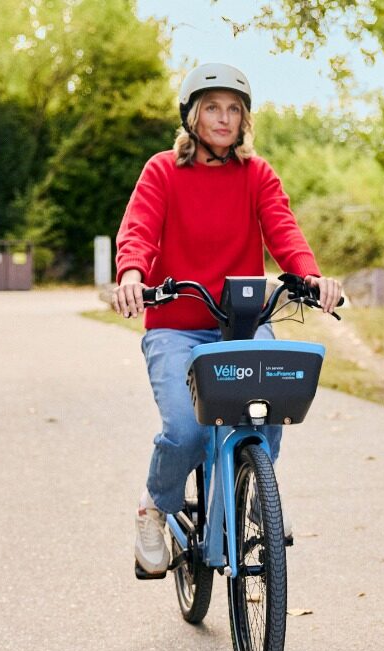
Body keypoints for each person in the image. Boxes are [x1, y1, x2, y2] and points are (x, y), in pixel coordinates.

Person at [112, 63, 343, 576]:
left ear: (245, 120)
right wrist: (131, 275)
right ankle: (155, 506)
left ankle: (255, 487)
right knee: (186, 433)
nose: (224, 118)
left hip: (242, 321)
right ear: (193, 116)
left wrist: (311, 276)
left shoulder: (256, 174)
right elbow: (140, 231)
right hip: (175, 324)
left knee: (272, 403)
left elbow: (284, 229)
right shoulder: (163, 170)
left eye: (233, 109)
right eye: (213, 107)